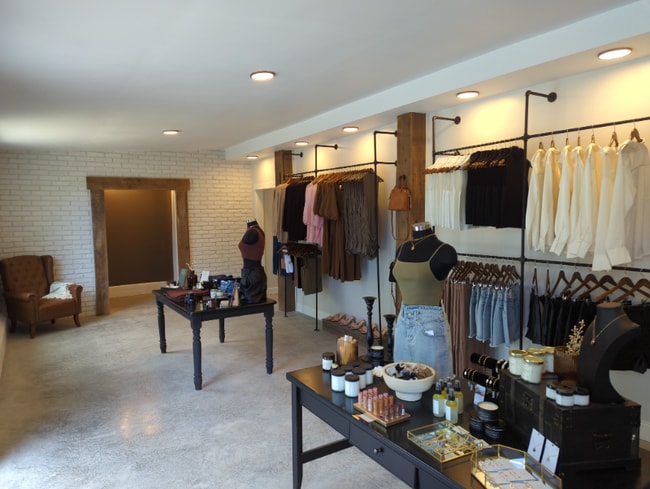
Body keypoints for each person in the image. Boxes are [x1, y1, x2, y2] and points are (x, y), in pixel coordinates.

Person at [389, 221, 457, 379]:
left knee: (433, 381)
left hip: (429, 323)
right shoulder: (402, 249)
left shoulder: (445, 251)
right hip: (403, 319)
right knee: (402, 378)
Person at [238, 219, 267, 303]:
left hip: (251, 275)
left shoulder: (252, 232)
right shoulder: (259, 231)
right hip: (255, 272)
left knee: (249, 304)